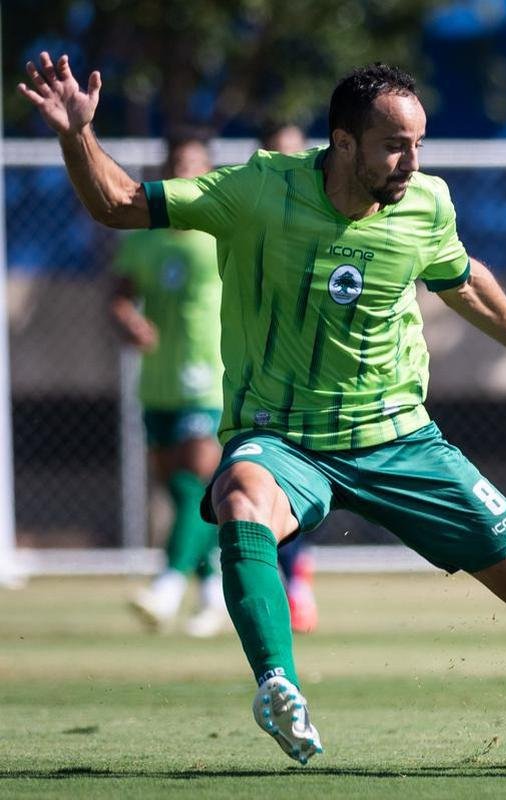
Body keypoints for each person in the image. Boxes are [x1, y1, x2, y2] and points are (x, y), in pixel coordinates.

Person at [20, 53, 506, 767]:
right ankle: (277, 685)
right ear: (344, 142)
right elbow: (117, 204)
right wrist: (77, 134)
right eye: (394, 145)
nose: (411, 162)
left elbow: (459, 276)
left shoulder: (427, 203)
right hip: (282, 437)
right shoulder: (258, 189)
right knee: (240, 499)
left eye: (418, 144)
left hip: (399, 437)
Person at [114, 132, 229, 638]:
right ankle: (212, 591)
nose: (184, 173)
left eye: (193, 165)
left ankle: (167, 585)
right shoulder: (145, 238)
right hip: (157, 380)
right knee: (180, 490)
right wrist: (127, 319)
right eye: (176, 164)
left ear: (208, 175)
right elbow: (120, 294)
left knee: (199, 483)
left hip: (210, 377)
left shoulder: (224, 233)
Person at [257, 120, 319, 635]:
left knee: (292, 490)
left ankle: (296, 577)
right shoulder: (249, 208)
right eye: (279, 153)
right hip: (257, 381)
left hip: (314, 388)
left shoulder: (330, 213)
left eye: (297, 152)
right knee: (249, 490)